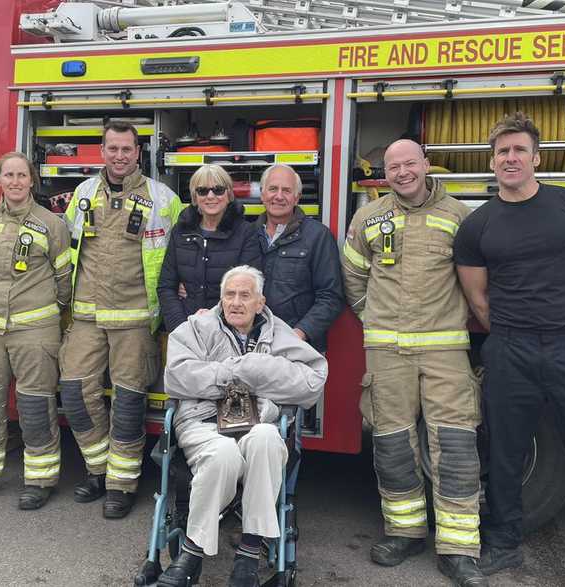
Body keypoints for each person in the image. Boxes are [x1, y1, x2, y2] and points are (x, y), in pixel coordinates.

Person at [453, 113, 565, 587]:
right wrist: (515, 333)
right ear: (493, 162)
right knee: (507, 453)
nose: (510, 158)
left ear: (536, 157)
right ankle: (504, 542)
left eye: (518, 150)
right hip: (510, 350)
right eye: (502, 152)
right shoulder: (478, 225)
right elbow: (478, 297)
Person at [342, 139, 485, 586]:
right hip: (387, 352)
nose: (402, 172)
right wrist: (375, 319)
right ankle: (404, 532)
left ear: (426, 164)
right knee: (393, 443)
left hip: (445, 349)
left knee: (456, 445)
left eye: (409, 163)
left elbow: (476, 280)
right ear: (383, 173)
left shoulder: (459, 216)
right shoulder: (369, 217)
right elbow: (353, 276)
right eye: (392, 166)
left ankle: (459, 548)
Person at [157, 265, 327, 587]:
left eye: (245, 295)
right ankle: (193, 553)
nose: (235, 302)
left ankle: (248, 556)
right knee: (223, 453)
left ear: (260, 302)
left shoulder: (279, 334)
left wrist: (257, 367)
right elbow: (177, 376)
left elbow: (312, 381)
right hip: (203, 423)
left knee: (266, 438)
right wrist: (232, 374)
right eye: (229, 295)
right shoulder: (196, 328)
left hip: (257, 422)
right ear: (220, 298)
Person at [60, 122, 184, 518]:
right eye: (112, 148)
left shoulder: (162, 197)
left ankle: (121, 484)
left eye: (127, 149)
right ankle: (97, 468)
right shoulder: (82, 194)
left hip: (135, 318)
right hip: (85, 314)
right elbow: (66, 246)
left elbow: (180, 248)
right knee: (75, 393)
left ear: (138, 152)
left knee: (129, 403)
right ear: (102, 150)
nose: (119, 156)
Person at [0, 152, 72, 510]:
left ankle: (39, 480)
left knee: (34, 404)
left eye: (22, 175)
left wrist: (45, 311)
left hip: (34, 328)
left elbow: (63, 280)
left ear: (32, 180)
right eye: (9, 175)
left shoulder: (52, 224)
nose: (16, 181)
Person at [158, 163, 263, 334]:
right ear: (195, 196)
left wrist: (219, 328)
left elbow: (248, 290)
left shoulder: (246, 233)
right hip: (187, 330)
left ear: (229, 194)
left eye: (218, 190)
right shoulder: (180, 231)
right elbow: (166, 287)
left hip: (230, 333)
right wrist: (181, 329)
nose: (211, 196)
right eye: (202, 191)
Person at [256, 164, 344, 352]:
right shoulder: (247, 235)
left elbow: (331, 296)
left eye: (286, 190)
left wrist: (299, 333)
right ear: (262, 194)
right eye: (272, 189)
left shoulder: (318, 236)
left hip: (300, 347)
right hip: (252, 344)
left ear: (297, 197)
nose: (278, 196)